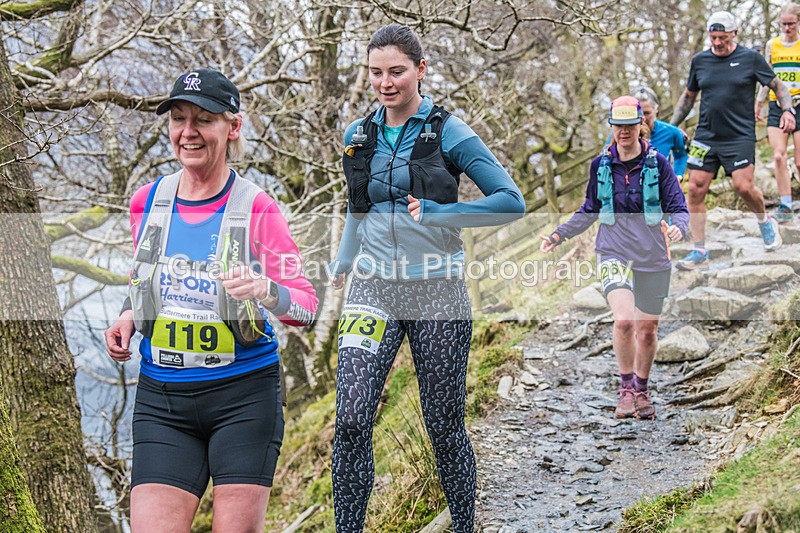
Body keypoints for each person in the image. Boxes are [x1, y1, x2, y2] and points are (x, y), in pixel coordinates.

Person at [330, 23, 525, 533]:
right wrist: (343, 263)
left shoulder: (450, 132)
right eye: (375, 72)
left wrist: (440, 213)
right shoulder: (358, 135)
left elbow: (511, 202)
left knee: (442, 423)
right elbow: (357, 206)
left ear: (420, 69)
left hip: (437, 287)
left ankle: (464, 524)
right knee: (350, 421)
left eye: (396, 71)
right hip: (372, 287)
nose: (385, 82)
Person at [103, 68, 318, 532]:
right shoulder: (147, 202)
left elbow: (306, 305)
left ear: (233, 127)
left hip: (243, 397)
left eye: (203, 119)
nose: (188, 132)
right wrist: (128, 317)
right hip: (162, 400)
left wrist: (266, 290)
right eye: (179, 118)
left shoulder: (256, 207)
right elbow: (149, 281)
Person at [540, 96, 689, 420]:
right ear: (612, 126)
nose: (623, 131)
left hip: (652, 255)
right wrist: (558, 234)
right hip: (613, 250)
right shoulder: (601, 165)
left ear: (641, 125)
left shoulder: (658, 163)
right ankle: (624, 387)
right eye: (618, 125)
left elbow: (679, 205)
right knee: (624, 321)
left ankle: (641, 388)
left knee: (647, 330)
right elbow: (589, 209)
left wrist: (679, 227)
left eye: (629, 125)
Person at [671, 11, 796, 270]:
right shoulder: (700, 61)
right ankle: (699, 249)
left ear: (735, 33)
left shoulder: (750, 58)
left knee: (743, 187)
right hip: (706, 135)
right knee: (694, 189)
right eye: (713, 37)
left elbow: (778, 85)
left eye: (722, 38)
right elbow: (688, 97)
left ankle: (765, 222)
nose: (717, 43)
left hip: (739, 135)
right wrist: (671, 126)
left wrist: (786, 110)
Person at [756, 2, 800, 223]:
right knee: (779, 156)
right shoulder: (772, 45)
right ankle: (786, 205)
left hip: (799, 104)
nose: (787, 28)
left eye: (791, 24)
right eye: (783, 24)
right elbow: (767, 76)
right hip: (776, 105)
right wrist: (759, 101)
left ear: (798, 22)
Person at [632, 86, 689, 182]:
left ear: (656, 109)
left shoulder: (670, 131)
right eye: (639, 114)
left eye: (647, 113)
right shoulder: (622, 134)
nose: (643, 118)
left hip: (662, 189)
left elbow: (681, 155)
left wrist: (678, 176)